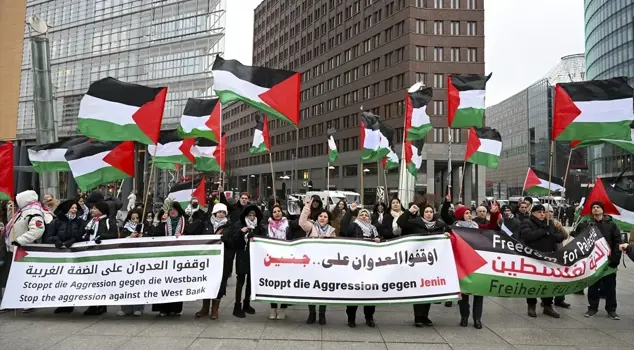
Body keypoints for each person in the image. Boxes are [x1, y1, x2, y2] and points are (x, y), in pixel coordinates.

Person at [0, 190, 52, 314]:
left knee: (25, 277)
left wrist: (20, 241)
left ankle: (28, 302)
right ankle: (10, 301)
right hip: (13, 249)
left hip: (24, 250)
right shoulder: (22, 211)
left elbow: (38, 229)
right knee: (10, 277)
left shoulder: (33, 212)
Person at [397, 203, 447, 327]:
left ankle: (425, 316)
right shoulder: (415, 223)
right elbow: (401, 223)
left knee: (429, 288)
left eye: (431, 212)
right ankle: (418, 317)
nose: (429, 214)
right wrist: (409, 212)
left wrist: (446, 236)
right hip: (418, 262)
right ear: (422, 213)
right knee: (420, 288)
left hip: (433, 263)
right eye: (426, 212)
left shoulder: (439, 226)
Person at [575, 201, 622, 320]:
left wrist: (615, 259)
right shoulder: (588, 224)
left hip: (608, 261)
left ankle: (611, 309)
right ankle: (592, 308)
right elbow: (581, 239)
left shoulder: (611, 224)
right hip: (593, 261)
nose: (596, 209)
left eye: (598, 207)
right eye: (593, 207)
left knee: (610, 286)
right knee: (593, 286)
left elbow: (617, 242)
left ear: (603, 210)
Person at [518, 204, 566, 319]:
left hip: (548, 258)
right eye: (539, 212)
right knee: (532, 283)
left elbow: (560, 237)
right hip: (533, 258)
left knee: (548, 282)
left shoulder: (549, 223)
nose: (542, 214)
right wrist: (545, 231)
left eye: (543, 212)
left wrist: (555, 230)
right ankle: (531, 306)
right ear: (533, 213)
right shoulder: (527, 223)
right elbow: (528, 236)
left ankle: (548, 306)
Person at [42, 199, 86, 314]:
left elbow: (83, 236)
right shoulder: (56, 222)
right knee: (61, 279)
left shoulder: (80, 222)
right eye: (72, 208)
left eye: (76, 208)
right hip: (59, 257)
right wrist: (56, 240)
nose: (74, 210)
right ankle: (62, 303)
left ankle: (71, 303)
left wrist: (72, 241)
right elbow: (47, 237)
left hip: (75, 256)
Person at [190, 203, 232, 319]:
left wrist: (223, 239)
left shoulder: (229, 226)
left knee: (219, 284)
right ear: (214, 213)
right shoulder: (206, 224)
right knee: (207, 282)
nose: (221, 214)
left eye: (223, 212)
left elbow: (233, 242)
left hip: (222, 260)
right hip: (207, 260)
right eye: (219, 212)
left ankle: (215, 309)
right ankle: (205, 308)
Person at [341, 205, 381, 328]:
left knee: (370, 292)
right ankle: (351, 318)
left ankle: (369, 317)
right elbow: (344, 229)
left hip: (370, 264)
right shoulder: (354, 225)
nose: (364, 216)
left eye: (366, 215)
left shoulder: (374, 229)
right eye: (361, 215)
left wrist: (379, 239)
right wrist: (350, 212)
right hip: (356, 264)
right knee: (354, 291)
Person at [299, 197, 335, 324]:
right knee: (311, 289)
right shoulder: (311, 227)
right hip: (311, 264)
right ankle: (312, 313)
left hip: (325, 265)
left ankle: (322, 314)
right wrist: (307, 206)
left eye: (325, 217)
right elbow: (301, 222)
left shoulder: (332, 231)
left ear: (328, 219)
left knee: (323, 289)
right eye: (320, 216)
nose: (322, 218)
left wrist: (329, 240)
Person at [149, 200, 186, 316]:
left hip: (179, 258)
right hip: (163, 257)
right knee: (163, 282)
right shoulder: (163, 221)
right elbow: (155, 234)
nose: (172, 211)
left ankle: (175, 308)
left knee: (176, 283)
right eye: (170, 209)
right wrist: (162, 222)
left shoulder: (185, 221)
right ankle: (163, 308)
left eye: (174, 209)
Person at [82, 201, 119, 316]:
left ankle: (102, 305)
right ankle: (92, 304)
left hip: (102, 255)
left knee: (101, 281)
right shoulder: (91, 222)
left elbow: (114, 235)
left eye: (95, 208)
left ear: (101, 211)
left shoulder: (108, 221)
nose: (92, 210)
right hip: (89, 254)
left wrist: (102, 237)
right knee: (91, 280)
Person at [228, 204, 263, 318]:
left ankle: (246, 303)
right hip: (242, 255)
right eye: (250, 214)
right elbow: (233, 240)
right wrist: (240, 232)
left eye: (253, 214)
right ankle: (237, 306)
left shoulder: (259, 226)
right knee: (240, 282)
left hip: (254, 256)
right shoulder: (239, 225)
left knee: (250, 282)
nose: (252, 216)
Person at [266, 205, 294, 320]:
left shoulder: (288, 224)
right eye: (274, 212)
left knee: (285, 283)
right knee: (274, 283)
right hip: (274, 258)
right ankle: (273, 308)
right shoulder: (268, 225)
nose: (277, 213)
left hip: (286, 258)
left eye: (279, 211)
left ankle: (283, 308)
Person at [118, 209, 145, 316]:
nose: (135, 220)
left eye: (137, 218)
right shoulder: (125, 228)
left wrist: (143, 237)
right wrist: (130, 237)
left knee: (139, 284)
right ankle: (125, 307)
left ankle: (138, 307)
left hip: (140, 260)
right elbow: (120, 241)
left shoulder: (144, 228)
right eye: (132, 218)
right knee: (126, 284)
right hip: (127, 260)